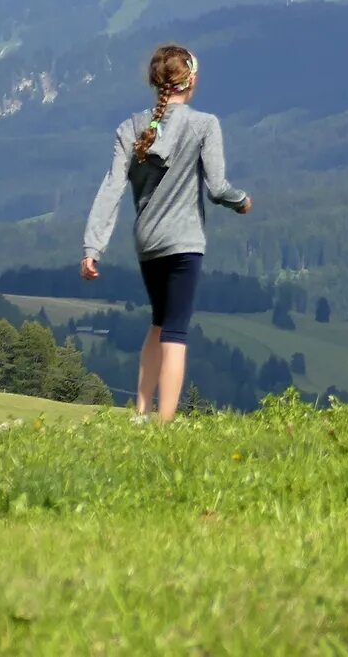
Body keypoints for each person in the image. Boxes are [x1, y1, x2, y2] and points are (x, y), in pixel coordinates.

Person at [81, 43, 252, 420]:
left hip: (147, 243)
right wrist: (241, 201)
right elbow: (218, 187)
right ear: (190, 81)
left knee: (158, 323)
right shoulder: (204, 125)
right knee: (176, 331)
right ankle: (165, 423)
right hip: (184, 241)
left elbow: (111, 188)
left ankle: (141, 413)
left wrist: (93, 247)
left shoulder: (129, 128)